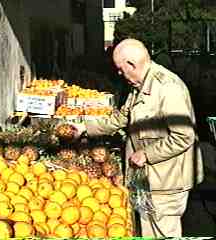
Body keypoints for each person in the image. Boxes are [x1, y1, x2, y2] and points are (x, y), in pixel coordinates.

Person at [71, 38, 204, 237]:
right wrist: (85, 128)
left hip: (167, 181)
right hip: (149, 180)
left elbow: (183, 136)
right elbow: (122, 117)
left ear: (132, 64)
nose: (118, 73)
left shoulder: (168, 88)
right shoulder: (139, 86)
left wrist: (146, 154)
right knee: (148, 230)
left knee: (164, 233)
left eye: (120, 68)